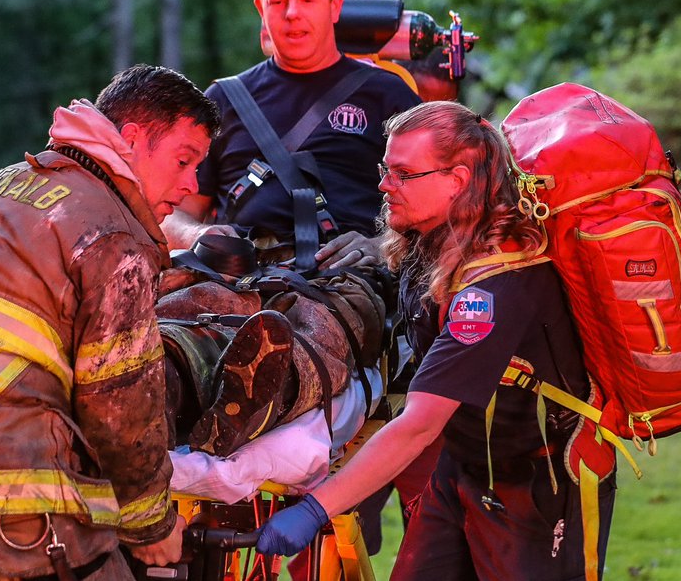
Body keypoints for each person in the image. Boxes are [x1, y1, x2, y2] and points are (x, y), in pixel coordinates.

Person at [0, 65, 221, 580]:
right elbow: (120, 404)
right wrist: (151, 525)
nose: (191, 187)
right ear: (133, 138)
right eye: (184, 160)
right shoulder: (112, 230)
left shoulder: (1, 188)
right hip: (11, 491)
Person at [256, 101, 617, 579]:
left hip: (540, 485)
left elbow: (419, 425)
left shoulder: (494, 290)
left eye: (404, 174)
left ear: (458, 180)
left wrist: (315, 509)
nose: (385, 186)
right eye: (386, 169)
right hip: (466, 467)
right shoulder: (432, 245)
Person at [162, 0, 421, 270]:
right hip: (234, 278)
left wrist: (379, 246)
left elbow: (437, 208)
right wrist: (195, 234)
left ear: (335, 3)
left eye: (308, 0)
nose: (292, 14)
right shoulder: (221, 100)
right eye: (278, 1)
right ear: (260, 8)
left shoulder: (388, 94)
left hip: (345, 278)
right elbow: (171, 211)